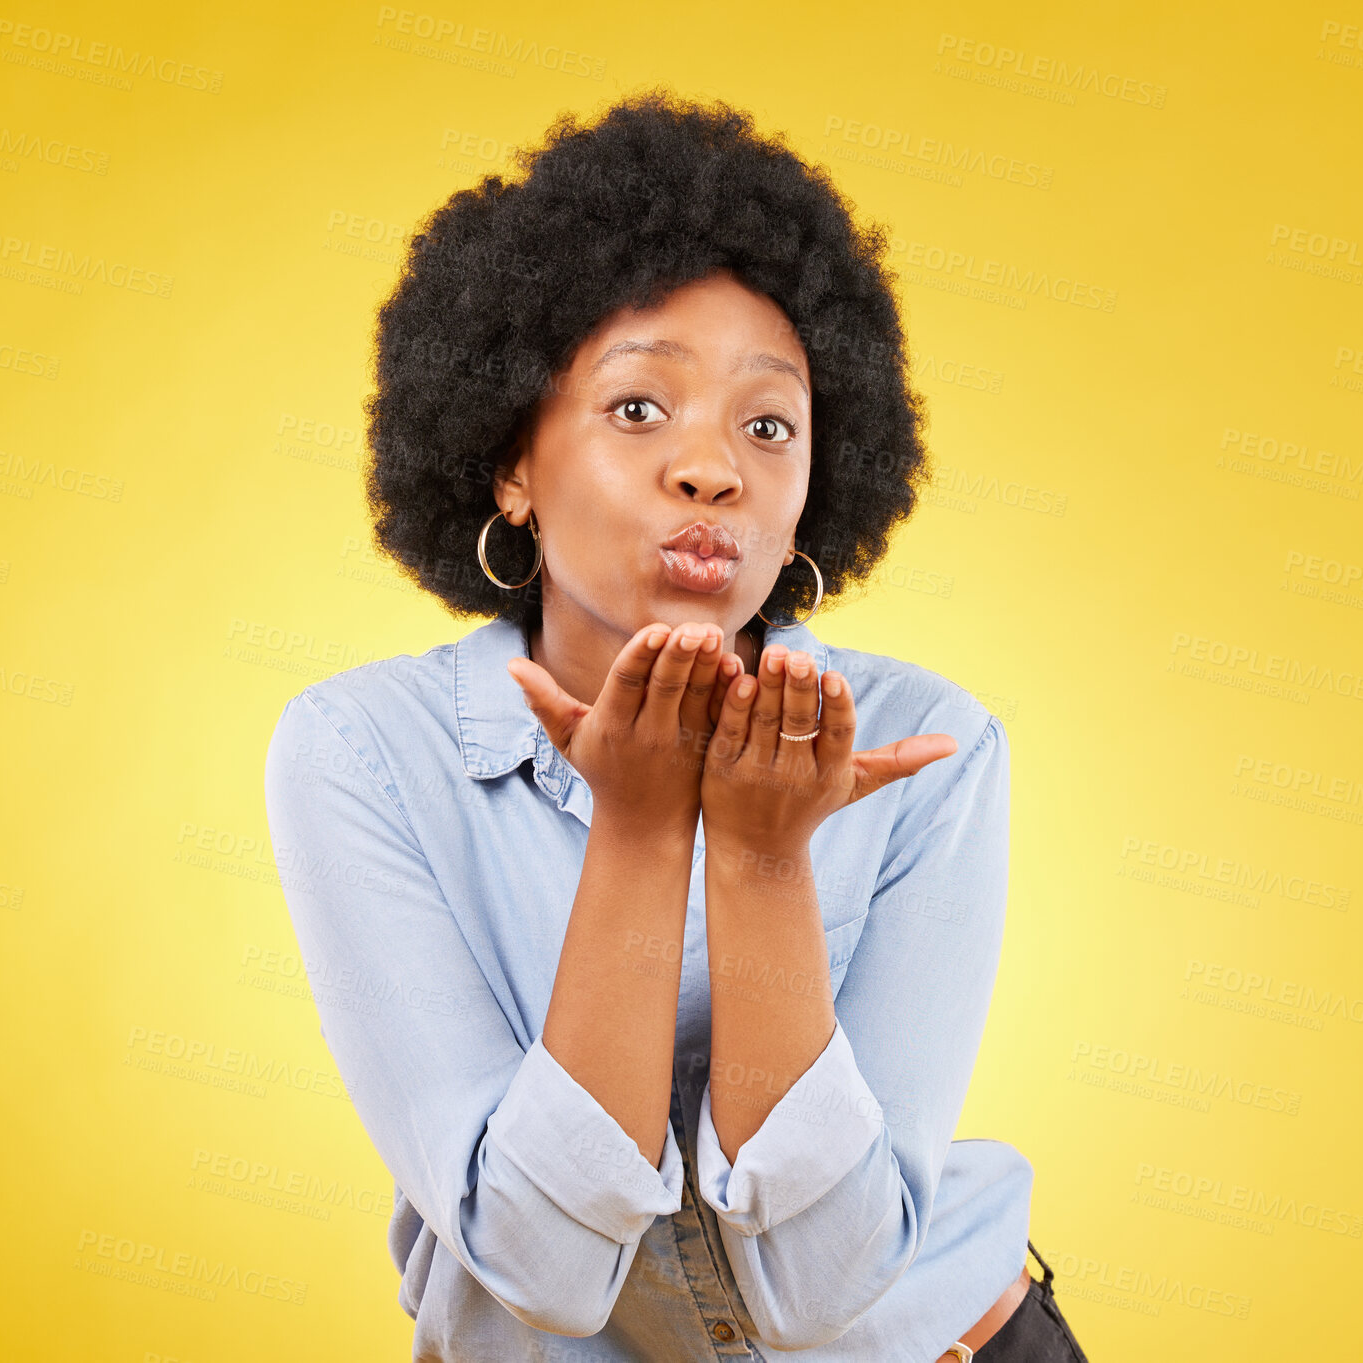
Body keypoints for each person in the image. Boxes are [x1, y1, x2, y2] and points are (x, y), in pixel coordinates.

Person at [264, 89, 1091, 1361]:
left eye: (769, 425)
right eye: (639, 407)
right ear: (512, 463)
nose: (713, 470)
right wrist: (643, 831)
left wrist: (765, 858)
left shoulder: (934, 747)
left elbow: (825, 1286)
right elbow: (536, 1265)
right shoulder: (363, 753)